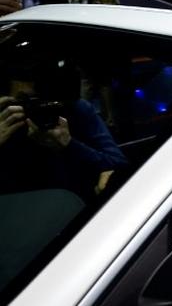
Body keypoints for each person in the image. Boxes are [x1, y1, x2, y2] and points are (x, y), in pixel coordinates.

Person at [0, 56, 127, 202]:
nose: (35, 108)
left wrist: (69, 144)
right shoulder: (6, 121)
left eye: (40, 100)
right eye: (24, 101)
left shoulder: (74, 110)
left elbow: (120, 167)